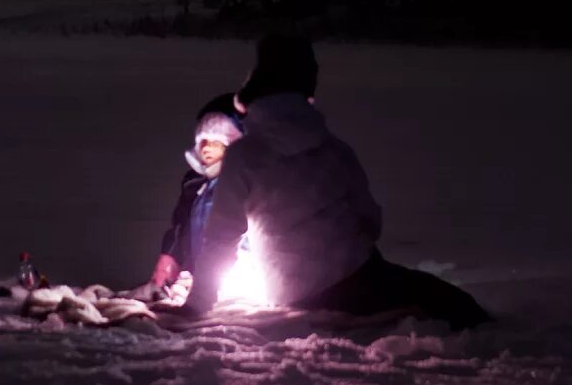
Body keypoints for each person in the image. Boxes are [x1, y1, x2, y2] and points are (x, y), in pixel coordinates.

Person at [194, 33, 489, 328]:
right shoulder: (333, 148)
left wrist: (198, 303)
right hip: (354, 276)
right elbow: (371, 221)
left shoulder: (244, 156)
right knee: (452, 302)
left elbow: (220, 238)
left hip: (292, 292)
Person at [146, 95, 242, 298]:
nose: (206, 147)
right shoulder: (194, 183)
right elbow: (180, 226)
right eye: (203, 141)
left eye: (216, 141)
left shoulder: (245, 181)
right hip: (198, 280)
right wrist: (170, 256)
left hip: (238, 277)